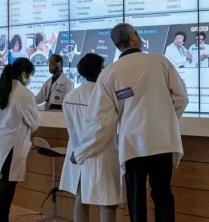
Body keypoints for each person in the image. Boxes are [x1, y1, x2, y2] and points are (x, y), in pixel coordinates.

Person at [80, 23, 189, 222]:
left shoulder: (110, 73)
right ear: (133, 37)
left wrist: (81, 151)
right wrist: (164, 119)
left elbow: (100, 120)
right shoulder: (160, 62)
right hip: (162, 141)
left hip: (132, 144)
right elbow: (181, 98)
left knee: (136, 198)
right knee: (163, 194)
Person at [61, 54, 120, 222]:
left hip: (79, 154)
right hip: (104, 154)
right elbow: (103, 131)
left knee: (82, 199)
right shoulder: (108, 96)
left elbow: (72, 132)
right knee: (107, 202)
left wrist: (79, 151)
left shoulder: (70, 97)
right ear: (101, 70)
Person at [0, 58, 41, 222]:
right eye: (30, 76)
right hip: (9, 144)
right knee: (8, 184)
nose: (29, 79)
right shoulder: (24, 94)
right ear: (23, 74)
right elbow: (34, 122)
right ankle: (1, 218)